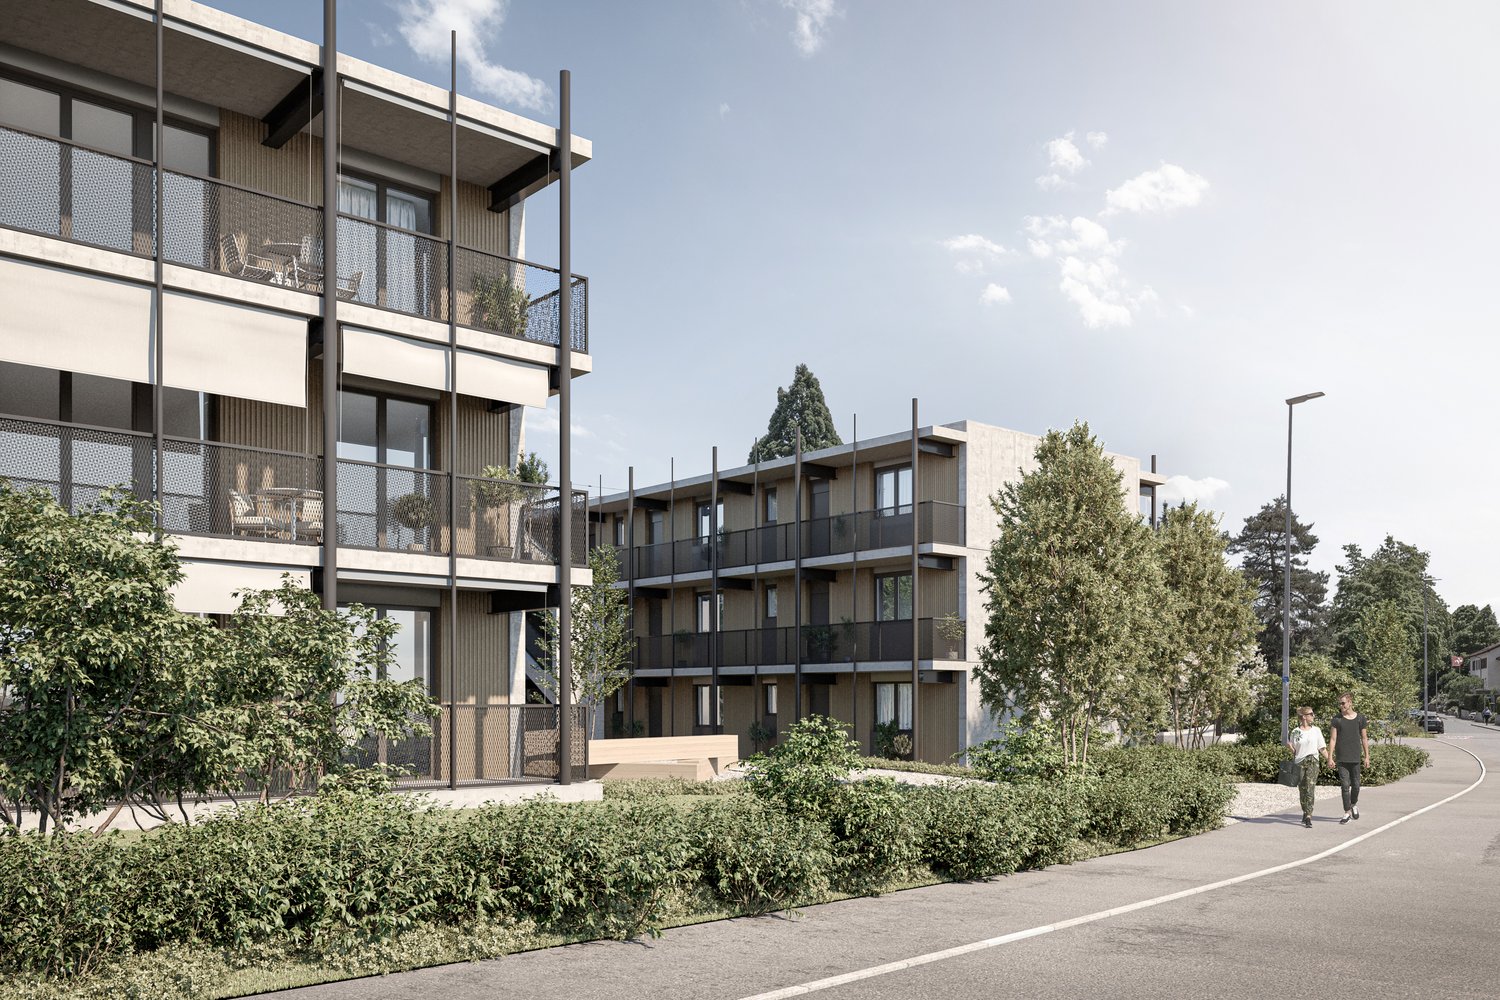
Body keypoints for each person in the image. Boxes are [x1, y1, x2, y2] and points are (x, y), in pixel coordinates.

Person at [1327, 692, 1369, 824]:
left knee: (1356, 785)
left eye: (1343, 703)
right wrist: (1330, 757)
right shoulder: (1337, 719)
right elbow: (1333, 739)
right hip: (1341, 758)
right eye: (1340, 703)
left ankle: (1354, 804)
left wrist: (1367, 756)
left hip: (1355, 757)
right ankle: (1347, 812)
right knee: (1345, 786)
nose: (1341, 706)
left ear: (1350, 702)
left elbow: (1364, 738)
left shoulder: (1360, 719)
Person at [1286, 706, 1329, 828]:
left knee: (1310, 788)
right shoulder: (1295, 732)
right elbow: (1295, 751)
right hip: (1299, 761)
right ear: (1304, 717)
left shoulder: (1316, 730)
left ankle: (1309, 815)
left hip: (1313, 761)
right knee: (1302, 789)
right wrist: (1290, 748)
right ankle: (1305, 811)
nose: (1313, 716)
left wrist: (1329, 759)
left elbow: (1322, 748)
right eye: (1311, 714)